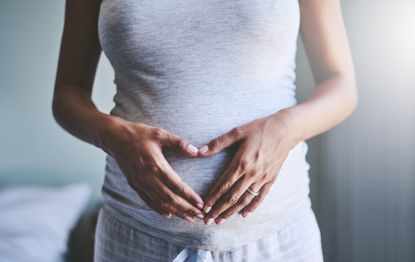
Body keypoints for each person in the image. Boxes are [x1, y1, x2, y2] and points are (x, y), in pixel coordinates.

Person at [52, 0, 357, 261]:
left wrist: (284, 129)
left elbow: (340, 84)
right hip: (136, 234)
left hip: (276, 236)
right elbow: (68, 92)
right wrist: (114, 136)